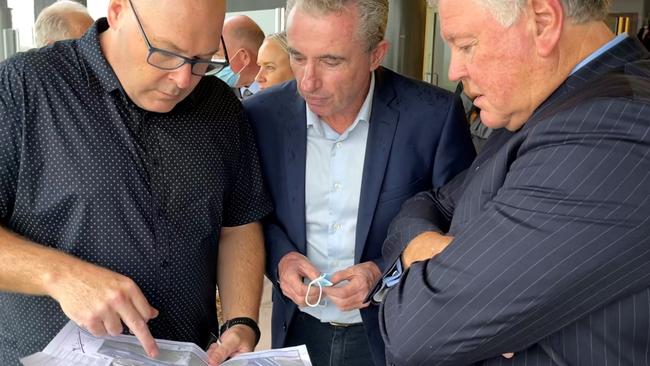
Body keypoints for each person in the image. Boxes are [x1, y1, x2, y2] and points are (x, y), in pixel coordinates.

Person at [378, 0, 650, 364]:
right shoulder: (545, 104)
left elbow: (412, 334)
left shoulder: (614, 129)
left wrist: (423, 269)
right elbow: (430, 203)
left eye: (466, 45)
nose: (454, 69)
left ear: (543, 22)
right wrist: (417, 246)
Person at [0, 0, 272, 365]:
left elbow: (238, 223)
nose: (182, 80)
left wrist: (241, 321)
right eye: (166, 52)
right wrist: (59, 276)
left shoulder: (219, 106)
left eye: (202, 60)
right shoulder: (23, 87)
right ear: (117, 12)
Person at [228, 0, 476, 365]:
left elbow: (461, 228)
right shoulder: (261, 115)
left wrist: (382, 269)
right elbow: (251, 213)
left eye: (331, 61)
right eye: (297, 56)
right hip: (297, 327)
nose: (307, 82)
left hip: (395, 329)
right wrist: (281, 260)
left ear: (376, 54)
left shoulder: (433, 116)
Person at [216, 15, 265, 98]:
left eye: (218, 55)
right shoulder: (218, 95)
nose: (213, 61)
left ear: (244, 57)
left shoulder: (282, 94)